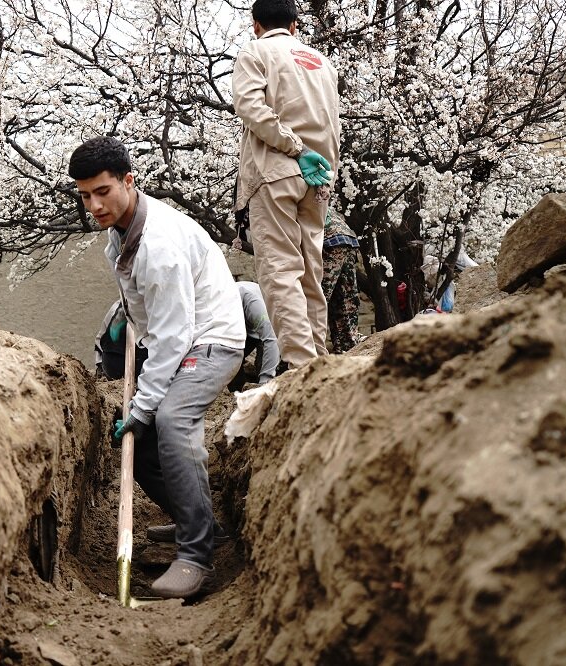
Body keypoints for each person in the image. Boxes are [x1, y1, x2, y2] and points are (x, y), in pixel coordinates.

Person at [69, 136, 246, 599]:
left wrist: (144, 403)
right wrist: (125, 319)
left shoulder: (159, 244)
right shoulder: (121, 234)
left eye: (103, 191)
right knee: (139, 436)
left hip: (211, 339)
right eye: (86, 195)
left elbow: (173, 336)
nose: (94, 204)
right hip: (178, 337)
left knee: (168, 419)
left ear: (130, 181)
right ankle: (199, 521)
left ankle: (196, 556)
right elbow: (151, 313)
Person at [232, 0, 341, 370]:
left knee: (281, 270)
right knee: (311, 271)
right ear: (295, 25)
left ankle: (300, 369)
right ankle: (320, 363)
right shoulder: (323, 62)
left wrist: (293, 147)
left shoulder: (255, 52)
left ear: (255, 23)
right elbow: (332, 124)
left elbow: (250, 109)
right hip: (319, 175)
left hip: (277, 171)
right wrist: (328, 175)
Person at [96, 282, 279, 388]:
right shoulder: (210, 306)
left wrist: (266, 384)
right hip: (119, 356)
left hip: (257, 333)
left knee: (267, 366)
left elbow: (270, 339)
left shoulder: (251, 300)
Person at [321, 209, 362, 353]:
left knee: (318, 298)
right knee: (346, 297)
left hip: (329, 239)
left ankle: (311, 348)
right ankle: (348, 345)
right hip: (348, 238)